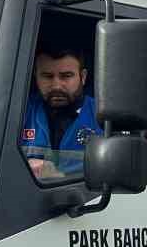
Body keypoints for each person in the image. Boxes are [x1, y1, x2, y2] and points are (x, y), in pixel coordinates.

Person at [19, 48, 101, 180]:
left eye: (66, 76)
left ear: (83, 77)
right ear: (35, 75)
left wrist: (58, 175)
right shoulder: (19, 111)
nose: (56, 85)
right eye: (47, 76)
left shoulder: (104, 115)